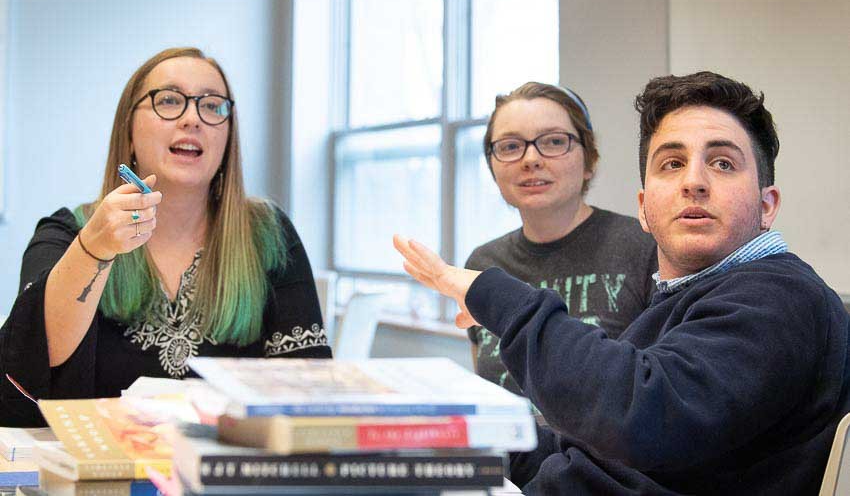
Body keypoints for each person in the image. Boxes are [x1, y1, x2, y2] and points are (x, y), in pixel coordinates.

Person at [394, 71, 850, 494]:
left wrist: (497, 297)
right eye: (672, 163)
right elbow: (589, 451)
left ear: (767, 206)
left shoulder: (779, 296)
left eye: (724, 164)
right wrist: (479, 440)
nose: (694, 181)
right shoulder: (684, 296)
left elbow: (640, 414)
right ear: (644, 206)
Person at [0, 48, 331, 427]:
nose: (193, 118)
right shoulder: (65, 232)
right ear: (128, 128)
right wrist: (94, 250)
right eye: (170, 101)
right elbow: (35, 362)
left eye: (212, 105)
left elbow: (310, 392)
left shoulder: (269, 234)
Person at [467, 82, 656, 398]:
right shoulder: (483, 265)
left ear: (589, 160)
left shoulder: (644, 248)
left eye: (554, 141)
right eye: (510, 146)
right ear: (492, 166)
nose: (530, 159)